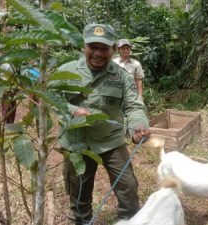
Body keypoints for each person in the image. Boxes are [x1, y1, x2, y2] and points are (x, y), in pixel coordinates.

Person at [58, 23, 151, 225]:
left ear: (113, 49)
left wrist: (138, 126)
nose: (98, 53)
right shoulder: (66, 71)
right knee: (79, 191)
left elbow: (135, 106)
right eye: (93, 47)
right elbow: (47, 100)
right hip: (77, 142)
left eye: (104, 48)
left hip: (111, 140)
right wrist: (73, 111)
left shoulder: (122, 76)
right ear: (84, 46)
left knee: (127, 187)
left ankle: (129, 220)